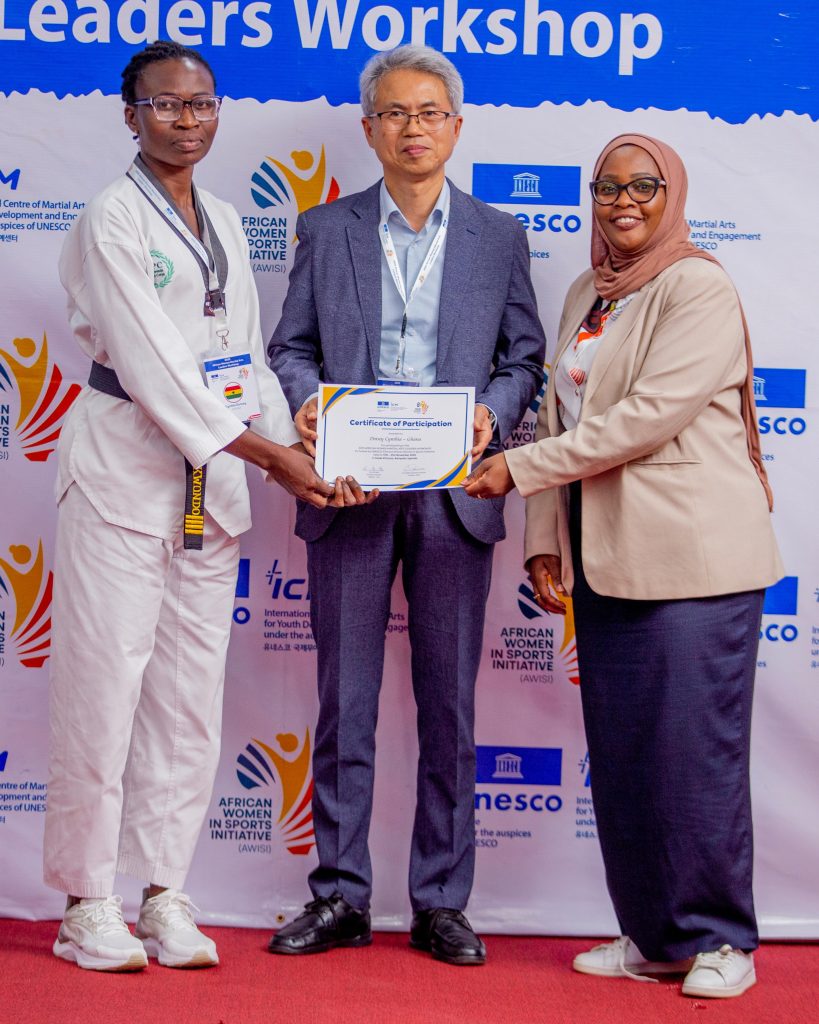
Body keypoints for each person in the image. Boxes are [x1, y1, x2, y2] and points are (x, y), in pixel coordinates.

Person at [43, 39, 366, 973]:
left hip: (210, 485)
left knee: (188, 701)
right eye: (166, 104)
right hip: (123, 474)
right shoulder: (110, 219)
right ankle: (86, 903)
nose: (188, 120)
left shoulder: (223, 218)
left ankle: (163, 893)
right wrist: (275, 460)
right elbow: (155, 371)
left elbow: (243, 361)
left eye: (202, 103)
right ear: (131, 115)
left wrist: (304, 451)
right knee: (103, 693)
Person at [463, 134, 783, 999]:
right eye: (606, 187)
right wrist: (542, 537)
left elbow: (646, 416)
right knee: (626, 757)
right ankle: (655, 936)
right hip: (605, 558)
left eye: (643, 186)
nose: (623, 202)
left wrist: (517, 472)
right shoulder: (588, 291)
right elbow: (554, 418)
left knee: (694, 759)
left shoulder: (697, 286)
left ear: (671, 194)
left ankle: (720, 941)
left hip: (694, 562)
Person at [267, 45, 545, 965]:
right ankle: (339, 895)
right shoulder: (325, 227)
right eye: (393, 113)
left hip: (453, 492)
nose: (411, 128)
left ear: (455, 127)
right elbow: (290, 347)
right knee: (344, 702)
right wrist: (306, 405)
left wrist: (490, 415)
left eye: (428, 112)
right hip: (349, 487)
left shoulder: (498, 235)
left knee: (448, 707)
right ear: (368, 128)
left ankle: (441, 901)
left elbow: (524, 358)